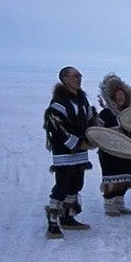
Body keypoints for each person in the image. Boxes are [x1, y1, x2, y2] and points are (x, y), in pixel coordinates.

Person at [43, 66, 97, 239]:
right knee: (62, 185)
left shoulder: (82, 101)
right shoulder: (58, 103)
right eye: (75, 75)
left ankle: (68, 218)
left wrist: (97, 135)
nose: (79, 78)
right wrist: (78, 143)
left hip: (80, 152)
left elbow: (90, 121)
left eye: (80, 75)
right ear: (65, 79)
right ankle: (52, 223)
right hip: (65, 152)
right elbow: (56, 128)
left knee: (76, 184)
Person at [97, 74, 131, 217]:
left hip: (127, 151)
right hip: (109, 153)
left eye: (123, 94)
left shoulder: (129, 114)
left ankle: (120, 203)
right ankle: (109, 205)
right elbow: (98, 133)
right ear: (112, 97)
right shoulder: (105, 113)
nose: (121, 97)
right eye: (117, 95)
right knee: (112, 179)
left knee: (125, 179)